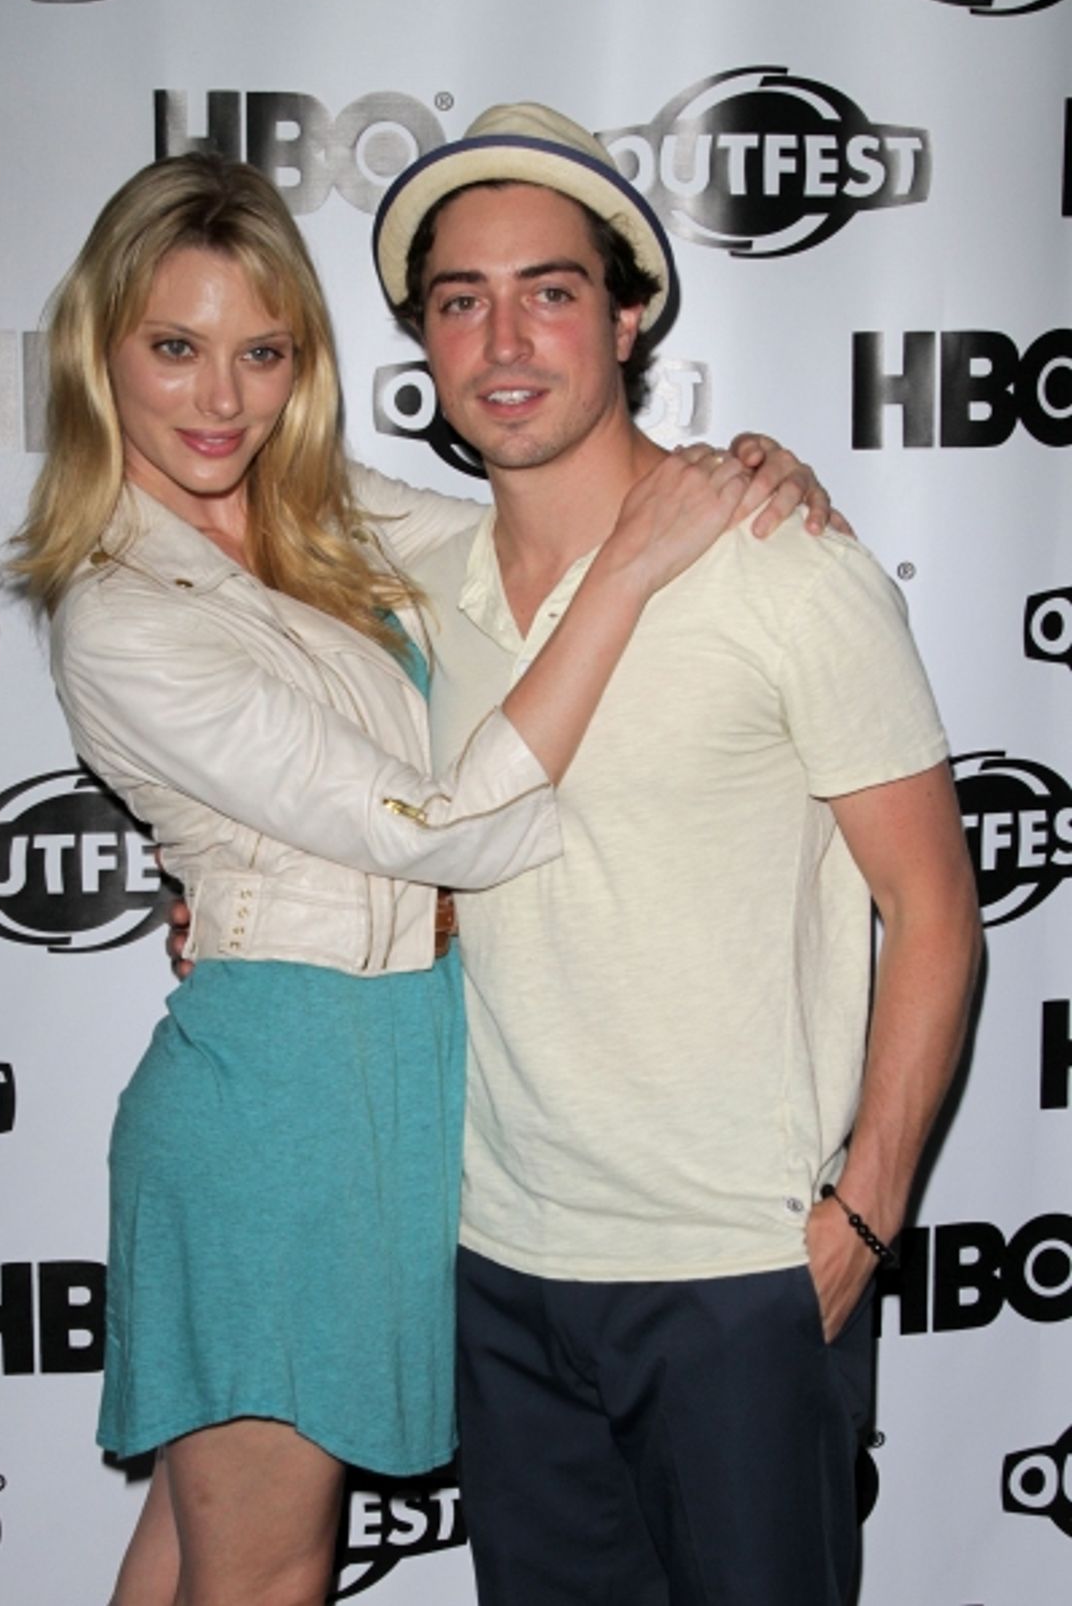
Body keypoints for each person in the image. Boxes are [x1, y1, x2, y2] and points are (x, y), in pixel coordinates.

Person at [7, 151, 812, 1606]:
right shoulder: (120, 609)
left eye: (261, 352)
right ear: (101, 350)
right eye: (174, 348)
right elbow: (444, 822)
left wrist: (727, 472)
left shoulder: (321, 512)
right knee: (265, 1568)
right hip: (276, 1102)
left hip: (393, 1079)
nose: (219, 398)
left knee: (199, 1547)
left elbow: (536, 529)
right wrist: (630, 575)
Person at [362, 103, 985, 1605]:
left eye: (552, 290)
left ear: (629, 315)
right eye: (462, 300)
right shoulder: (404, 580)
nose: (505, 338)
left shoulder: (786, 567)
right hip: (501, 1269)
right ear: (425, 343)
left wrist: (868, 1211)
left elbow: (937, 910)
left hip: (740, 1274)